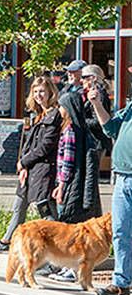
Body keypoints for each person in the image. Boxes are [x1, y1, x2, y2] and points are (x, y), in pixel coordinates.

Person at [0, 76, 63, 257]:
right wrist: (24, 166)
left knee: (47, 211)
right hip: (30, 169)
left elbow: (46, 145)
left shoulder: (54, 115)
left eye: (42, 91)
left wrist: (24, 162)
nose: (38, 95)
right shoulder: (38, 115)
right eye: (35, 91)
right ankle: (7, 240)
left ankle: (57, 252)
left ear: (51, 92)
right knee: (19, 204)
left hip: (43, 170)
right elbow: (29, 143)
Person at [87, 84, 132, 295]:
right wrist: (96, 103)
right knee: (120, 231)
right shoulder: (129, 108)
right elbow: (110, 127)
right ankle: (121, 283)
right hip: (122, 177)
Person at [55, 65, 106, 224]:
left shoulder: (99, 95)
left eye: (85, 77)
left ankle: (91, 213)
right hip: (84, 140)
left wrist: (81, 121)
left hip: (93, 142)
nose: (81, 80)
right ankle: (92, 213)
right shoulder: (78, 93)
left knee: (88, 179)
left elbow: (100, 120)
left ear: (94, 78)